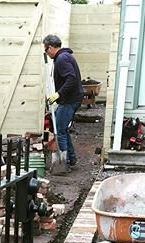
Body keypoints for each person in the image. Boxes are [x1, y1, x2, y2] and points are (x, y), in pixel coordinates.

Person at [42, 34, 84, 173]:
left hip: (69, 100)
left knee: (59, 129)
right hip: (71, 98)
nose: (46, 52)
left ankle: (63, 163)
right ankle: (71, 158)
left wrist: (58, 94)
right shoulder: (64, 57)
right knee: (63, 129)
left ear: (52, 47)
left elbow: (71, 79)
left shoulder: (62, 59)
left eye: (46, 48)